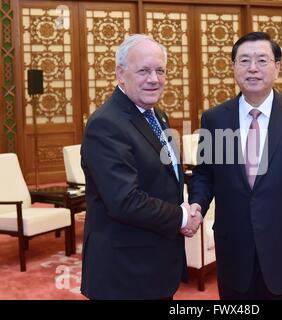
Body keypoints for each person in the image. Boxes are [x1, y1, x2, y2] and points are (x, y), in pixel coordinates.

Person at [188, 32, 282, 300]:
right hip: (234, 251)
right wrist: (197, 203)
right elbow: (205, 174)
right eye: (244, 60)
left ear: (277, 67)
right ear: (233, 67)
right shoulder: (215, 118)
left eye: (262, 60)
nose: (252, 68)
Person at [80, 34, 202, 300]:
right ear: (120, 74)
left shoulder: (157, 115)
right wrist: (182, 218)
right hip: (124, 274)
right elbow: (125, 201)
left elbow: (166, 180)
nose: (154, 79)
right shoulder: (106, 124)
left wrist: (186, 207)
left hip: (155, 264)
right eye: (144, 70)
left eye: (160, 71)